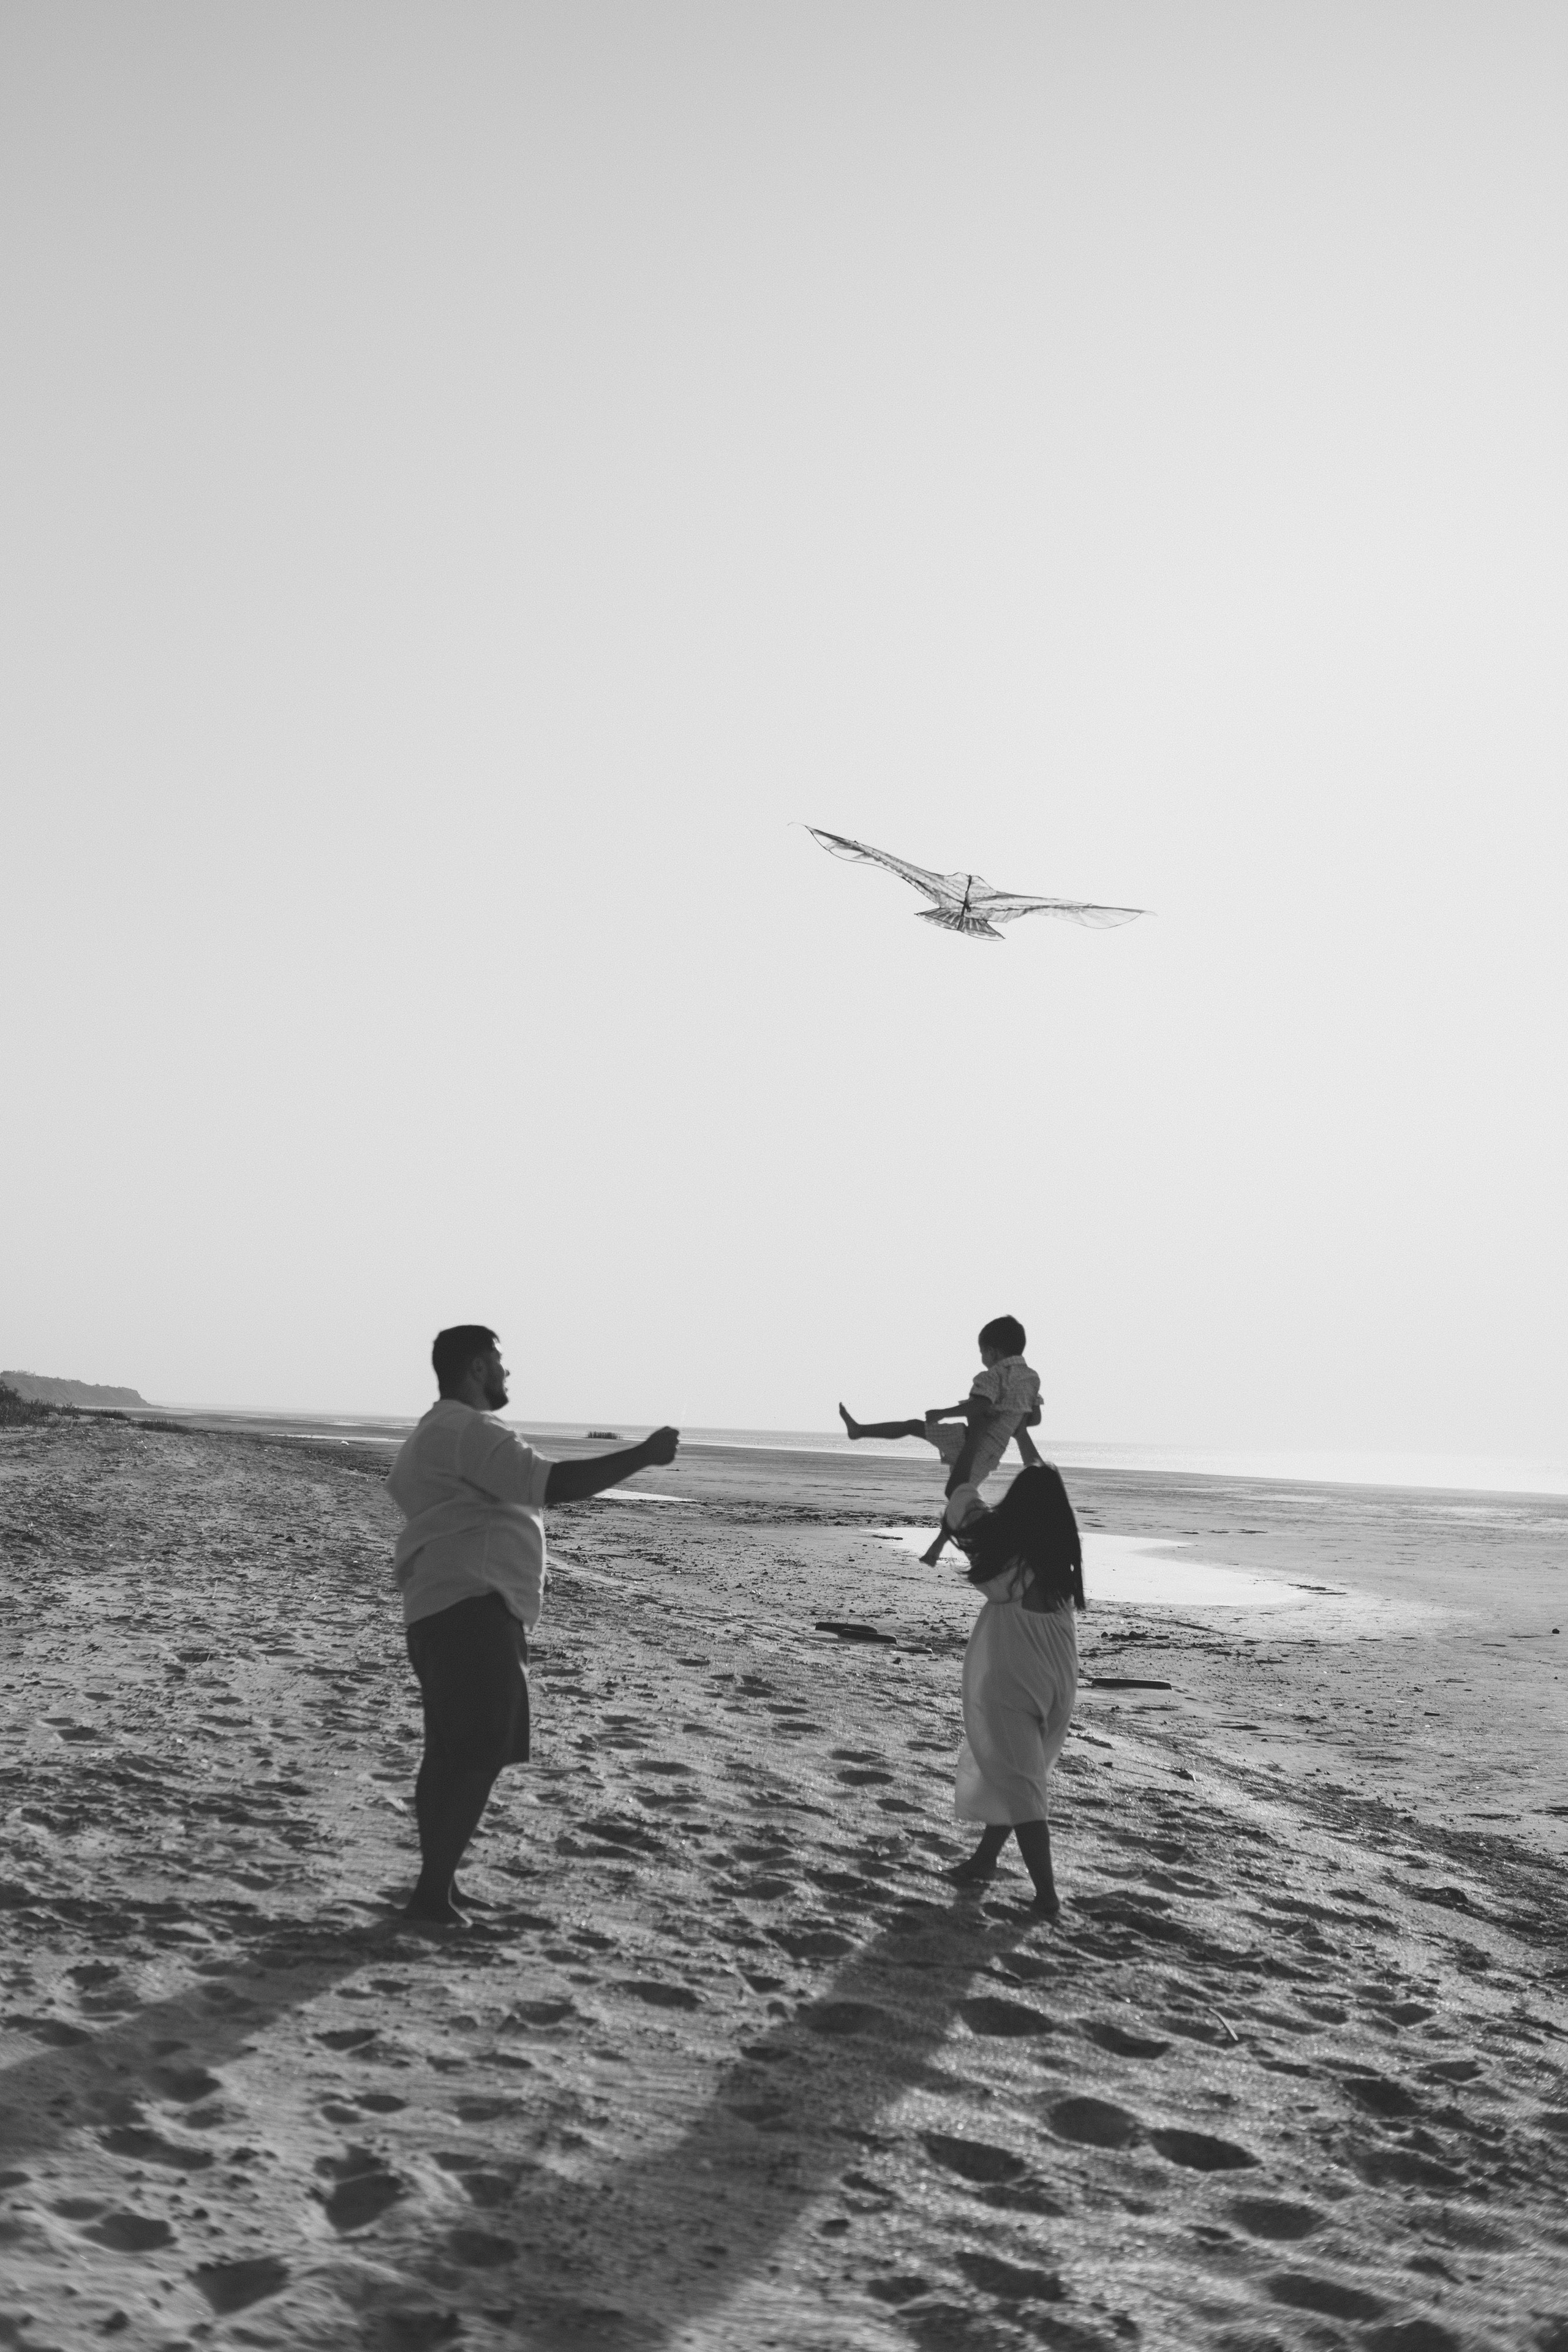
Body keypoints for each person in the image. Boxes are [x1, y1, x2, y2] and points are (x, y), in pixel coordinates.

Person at [390, 1324, 679, 1926]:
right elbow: (552, 1485)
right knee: (477, 1754)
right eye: (499, 1361)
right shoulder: (468, 1429)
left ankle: (437, 1884)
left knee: (448, 1752)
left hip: (441, 1605)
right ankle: (432, 1896)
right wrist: (643, 1455)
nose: (507, 1372)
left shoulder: (431, 1432)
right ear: (476, 1368)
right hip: (473, 1606)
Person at [941, 1461, 1084, 1920]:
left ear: (1019, 1509)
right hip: (1058, 1679)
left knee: (1023, 1787)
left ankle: (1047, 1897)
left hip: (1015, 1681)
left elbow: (961, 1500)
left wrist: (970, 1453)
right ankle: (985, 1860)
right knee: (1019, 1774)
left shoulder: (1009, 1568)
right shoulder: (1060, 1564)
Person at [838, 1315, 1043, 1562]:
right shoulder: (1032, 1379)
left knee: (954, 1489)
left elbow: (980, 1406)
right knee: (955, 1491)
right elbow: (1035, 1419)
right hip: (988, 1447)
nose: (982, 1358)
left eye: (982, 1352)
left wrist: (943, 1413)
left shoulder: (996, 1375)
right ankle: (859, 1430)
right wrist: (1014, 1421)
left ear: (993, 1352)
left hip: (979, 1445)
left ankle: (955, 1546)